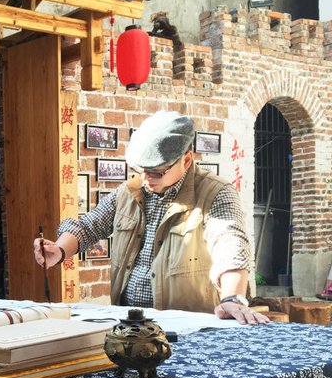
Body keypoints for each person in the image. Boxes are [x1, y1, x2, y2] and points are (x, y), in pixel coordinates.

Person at [33, 110, 269, 325]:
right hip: (130, 325)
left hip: (186, 326)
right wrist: (59, 250)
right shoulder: (129, 191)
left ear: (186, 160)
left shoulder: (215, 193)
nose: (145, 179)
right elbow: (88, 226)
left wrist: (232, 297)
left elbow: (230, 243)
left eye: (156, 172)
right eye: (139, 170)